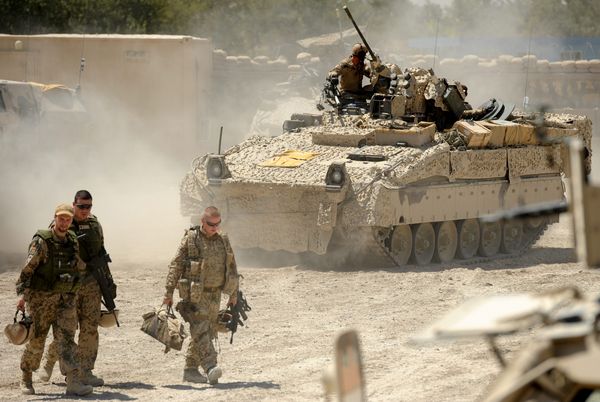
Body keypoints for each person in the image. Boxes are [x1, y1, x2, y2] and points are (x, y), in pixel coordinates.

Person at [15, 203, 93, 396]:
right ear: (55, 218)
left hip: (65, 300)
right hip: (41, 300)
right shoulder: (41, 241)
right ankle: (26, 377)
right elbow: (28, 268)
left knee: (67, 340)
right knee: (37, 340)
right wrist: (23, 296)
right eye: (61, 218)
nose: (64, 223)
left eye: (68, 219)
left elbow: (76, 266)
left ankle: (73, 381)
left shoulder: (72, 240)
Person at [163, 206, 239, 385]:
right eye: (211, 224)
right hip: (195, 296)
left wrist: (234, 293)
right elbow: (176, 265)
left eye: (218, 224)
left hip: (215, 294)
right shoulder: (191, 239)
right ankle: (211, 366)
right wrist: (168, 291)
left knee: (209, 331)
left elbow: (232, 266)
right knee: (200, 330)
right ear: (202, 222)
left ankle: (190, 370)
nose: (215, 227)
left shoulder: (223, 240)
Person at [40, 190, 107, 387]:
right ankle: (50, 361)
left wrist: (106, 283)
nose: (85, 210)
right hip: (69, 285)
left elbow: (101, 251)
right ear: (74, 204)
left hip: (92, 285)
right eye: (81, 206)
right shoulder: (63, 223)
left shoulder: (95, 224)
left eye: (89, 206)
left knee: (90, 327)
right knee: (65, 330)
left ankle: (85, 370)